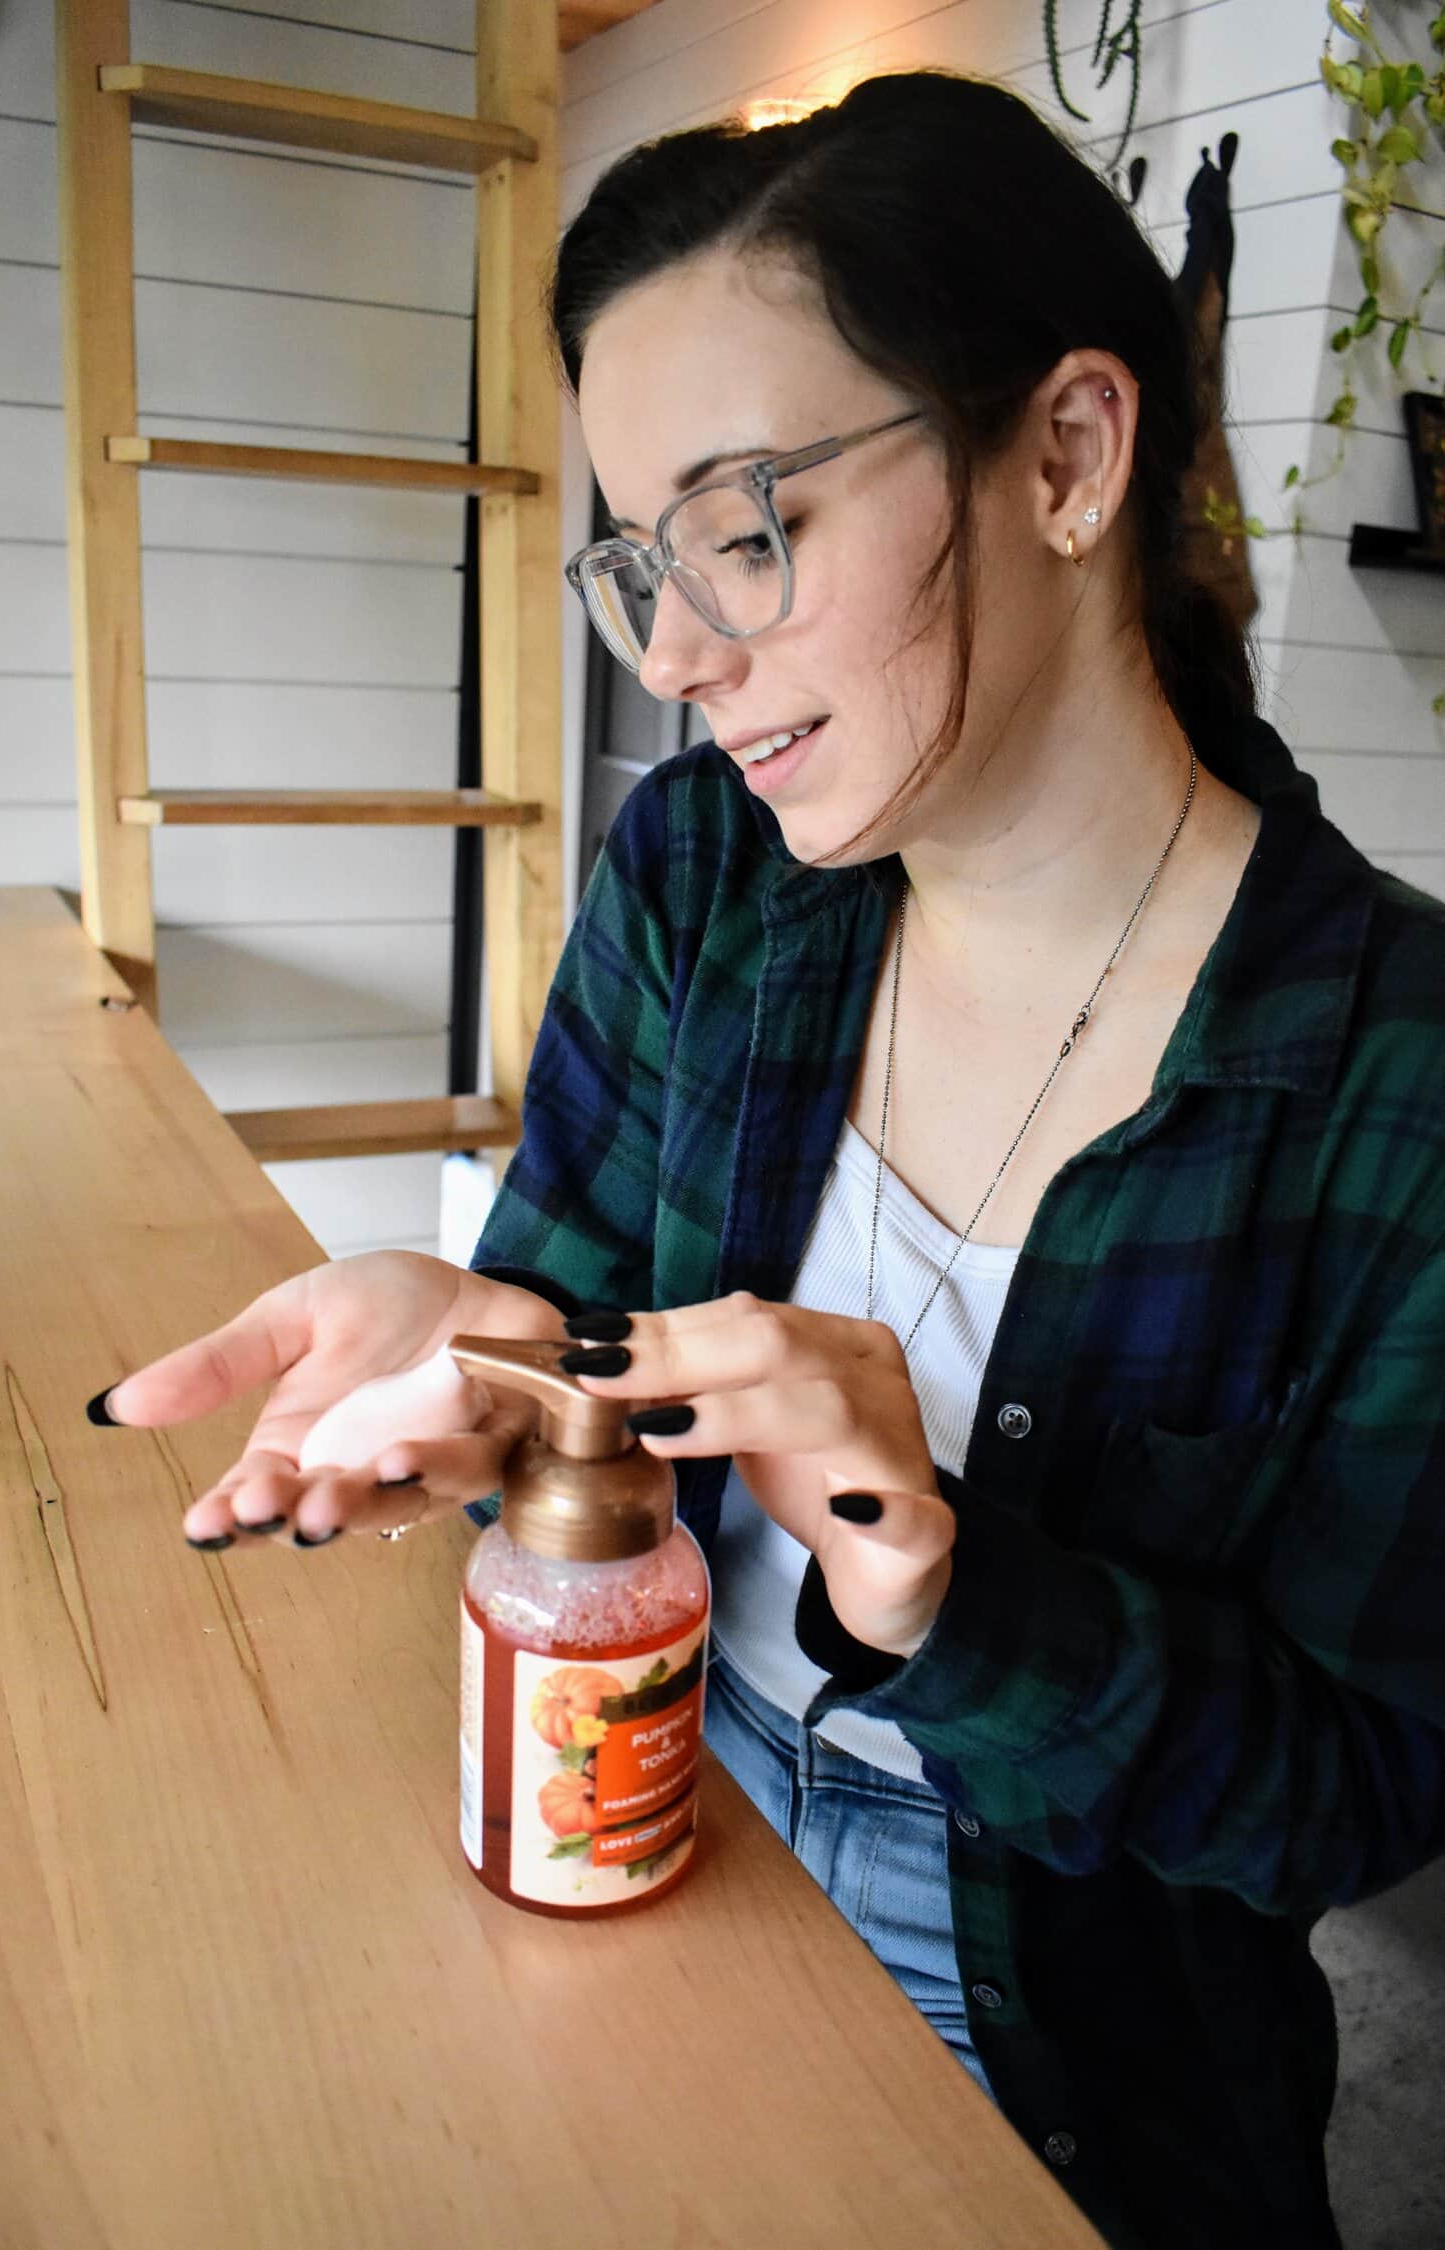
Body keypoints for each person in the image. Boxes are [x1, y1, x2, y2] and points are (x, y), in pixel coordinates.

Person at [86, 71, 1445, 2250]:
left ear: (1071, 458)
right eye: (643, 562)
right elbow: (584, 1298)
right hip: (632, 1752)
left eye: (748, 528)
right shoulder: (710, 870)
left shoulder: (1395, 1073)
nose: (684, 655)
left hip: (1058, 2016)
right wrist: (490, 1328)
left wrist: (942, 1578)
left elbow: (1352, 1797)